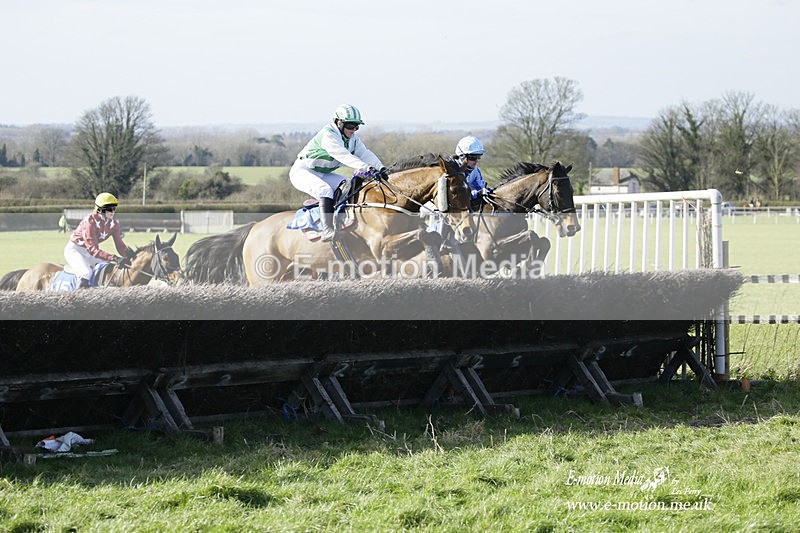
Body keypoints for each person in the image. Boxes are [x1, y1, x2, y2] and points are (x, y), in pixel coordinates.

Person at [289, 104, 385, 242]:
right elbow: (343, 155)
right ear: (339, 123)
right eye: (350, 126)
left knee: (347, 185)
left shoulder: (353, 139)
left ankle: (341, 219)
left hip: (322, 173)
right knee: (325, 190)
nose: (354, 130)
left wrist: (381, 168)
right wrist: (367, 168)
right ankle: (327, 230)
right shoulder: (329, 135)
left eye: (356, 126)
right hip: (303, 171)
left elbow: (365, 153)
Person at [64, 192, 132, 288]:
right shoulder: (90, 222)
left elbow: (121, 247)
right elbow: (93, 250)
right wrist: (113, 257)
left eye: (114, 208)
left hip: (88, 252)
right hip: (75, 250)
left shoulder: (114, 224)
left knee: (108, 266)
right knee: (86, 273)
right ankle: (76, 298)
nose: (112, 211)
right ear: (99, 209)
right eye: (109, 209)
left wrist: (131, 257)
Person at [454, 135, 490, 209]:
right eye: (473, 158)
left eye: (479, 157)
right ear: (462, 156)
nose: (476, 161)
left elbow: (481, 187)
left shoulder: (476, 171)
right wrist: (478, 193)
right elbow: (458, 196)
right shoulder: (453, 171)